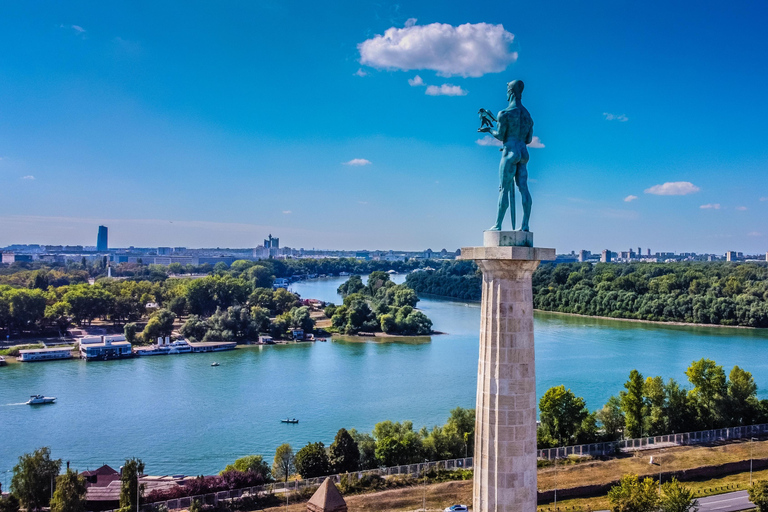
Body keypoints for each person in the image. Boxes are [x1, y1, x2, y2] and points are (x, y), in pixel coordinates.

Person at [479, 80, 534, 231]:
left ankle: (497, 225)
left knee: (504, 189)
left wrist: (489, 130)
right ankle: (525, 225)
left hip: (510, 152)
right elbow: (528, 140)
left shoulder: (504, 113)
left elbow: (501, 135)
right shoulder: (528, 117)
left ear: (510, 92)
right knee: (524, 188)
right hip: (523, 152)